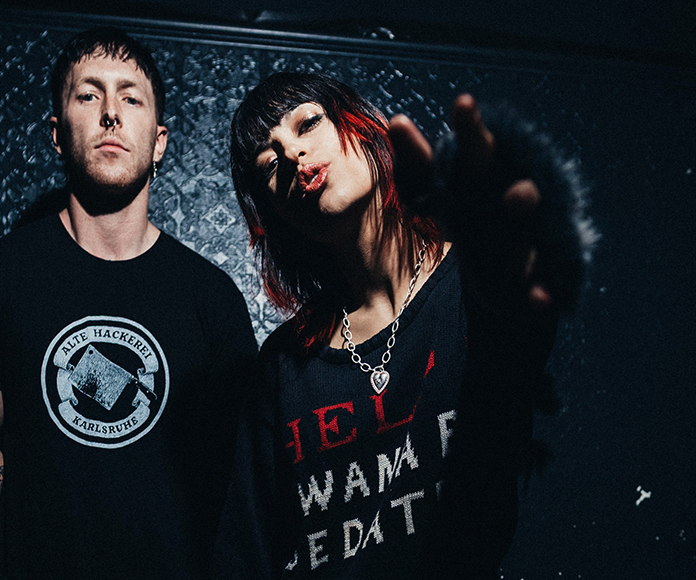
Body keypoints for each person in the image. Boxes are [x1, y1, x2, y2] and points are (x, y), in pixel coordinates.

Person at [212, 72, 595, 578]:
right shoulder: (283, 367)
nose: (291, 153)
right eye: (269, 163)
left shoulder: (478, 286)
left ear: (361, 125)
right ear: (275, 213)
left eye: (307, 123)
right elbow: (244, 556)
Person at [0, 27, 257, 579]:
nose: (110, 114)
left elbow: (242, 468)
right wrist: (28, 542)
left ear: (159, 142)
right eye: (89, 95)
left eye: (131, 98)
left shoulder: (211, 297)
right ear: (58, 134)